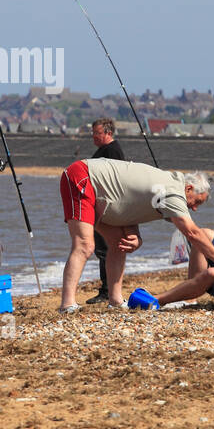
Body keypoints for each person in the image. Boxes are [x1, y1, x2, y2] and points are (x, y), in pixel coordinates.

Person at [57, 159, 214, 311]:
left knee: (121, 242)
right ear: (188, 188)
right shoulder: (173, 192)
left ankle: (116, 301)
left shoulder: (167, 188)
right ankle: (68, 304)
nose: (195, 208)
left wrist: (136, 237)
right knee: (85, 245)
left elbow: (129, 206)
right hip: (83, 176)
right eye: (196, 202)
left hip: (102, 192)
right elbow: (192, 233)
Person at [85, 118, 127, 305]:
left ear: (108, 133)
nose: (93, 136)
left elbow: (116, 181)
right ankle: (107, 289)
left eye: (97, 133)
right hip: (100, 205)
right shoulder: (103, 151)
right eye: (93, 132)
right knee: (103, 248)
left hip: (107, 207)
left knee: (105, 249)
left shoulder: (112, 151)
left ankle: (107, 291)